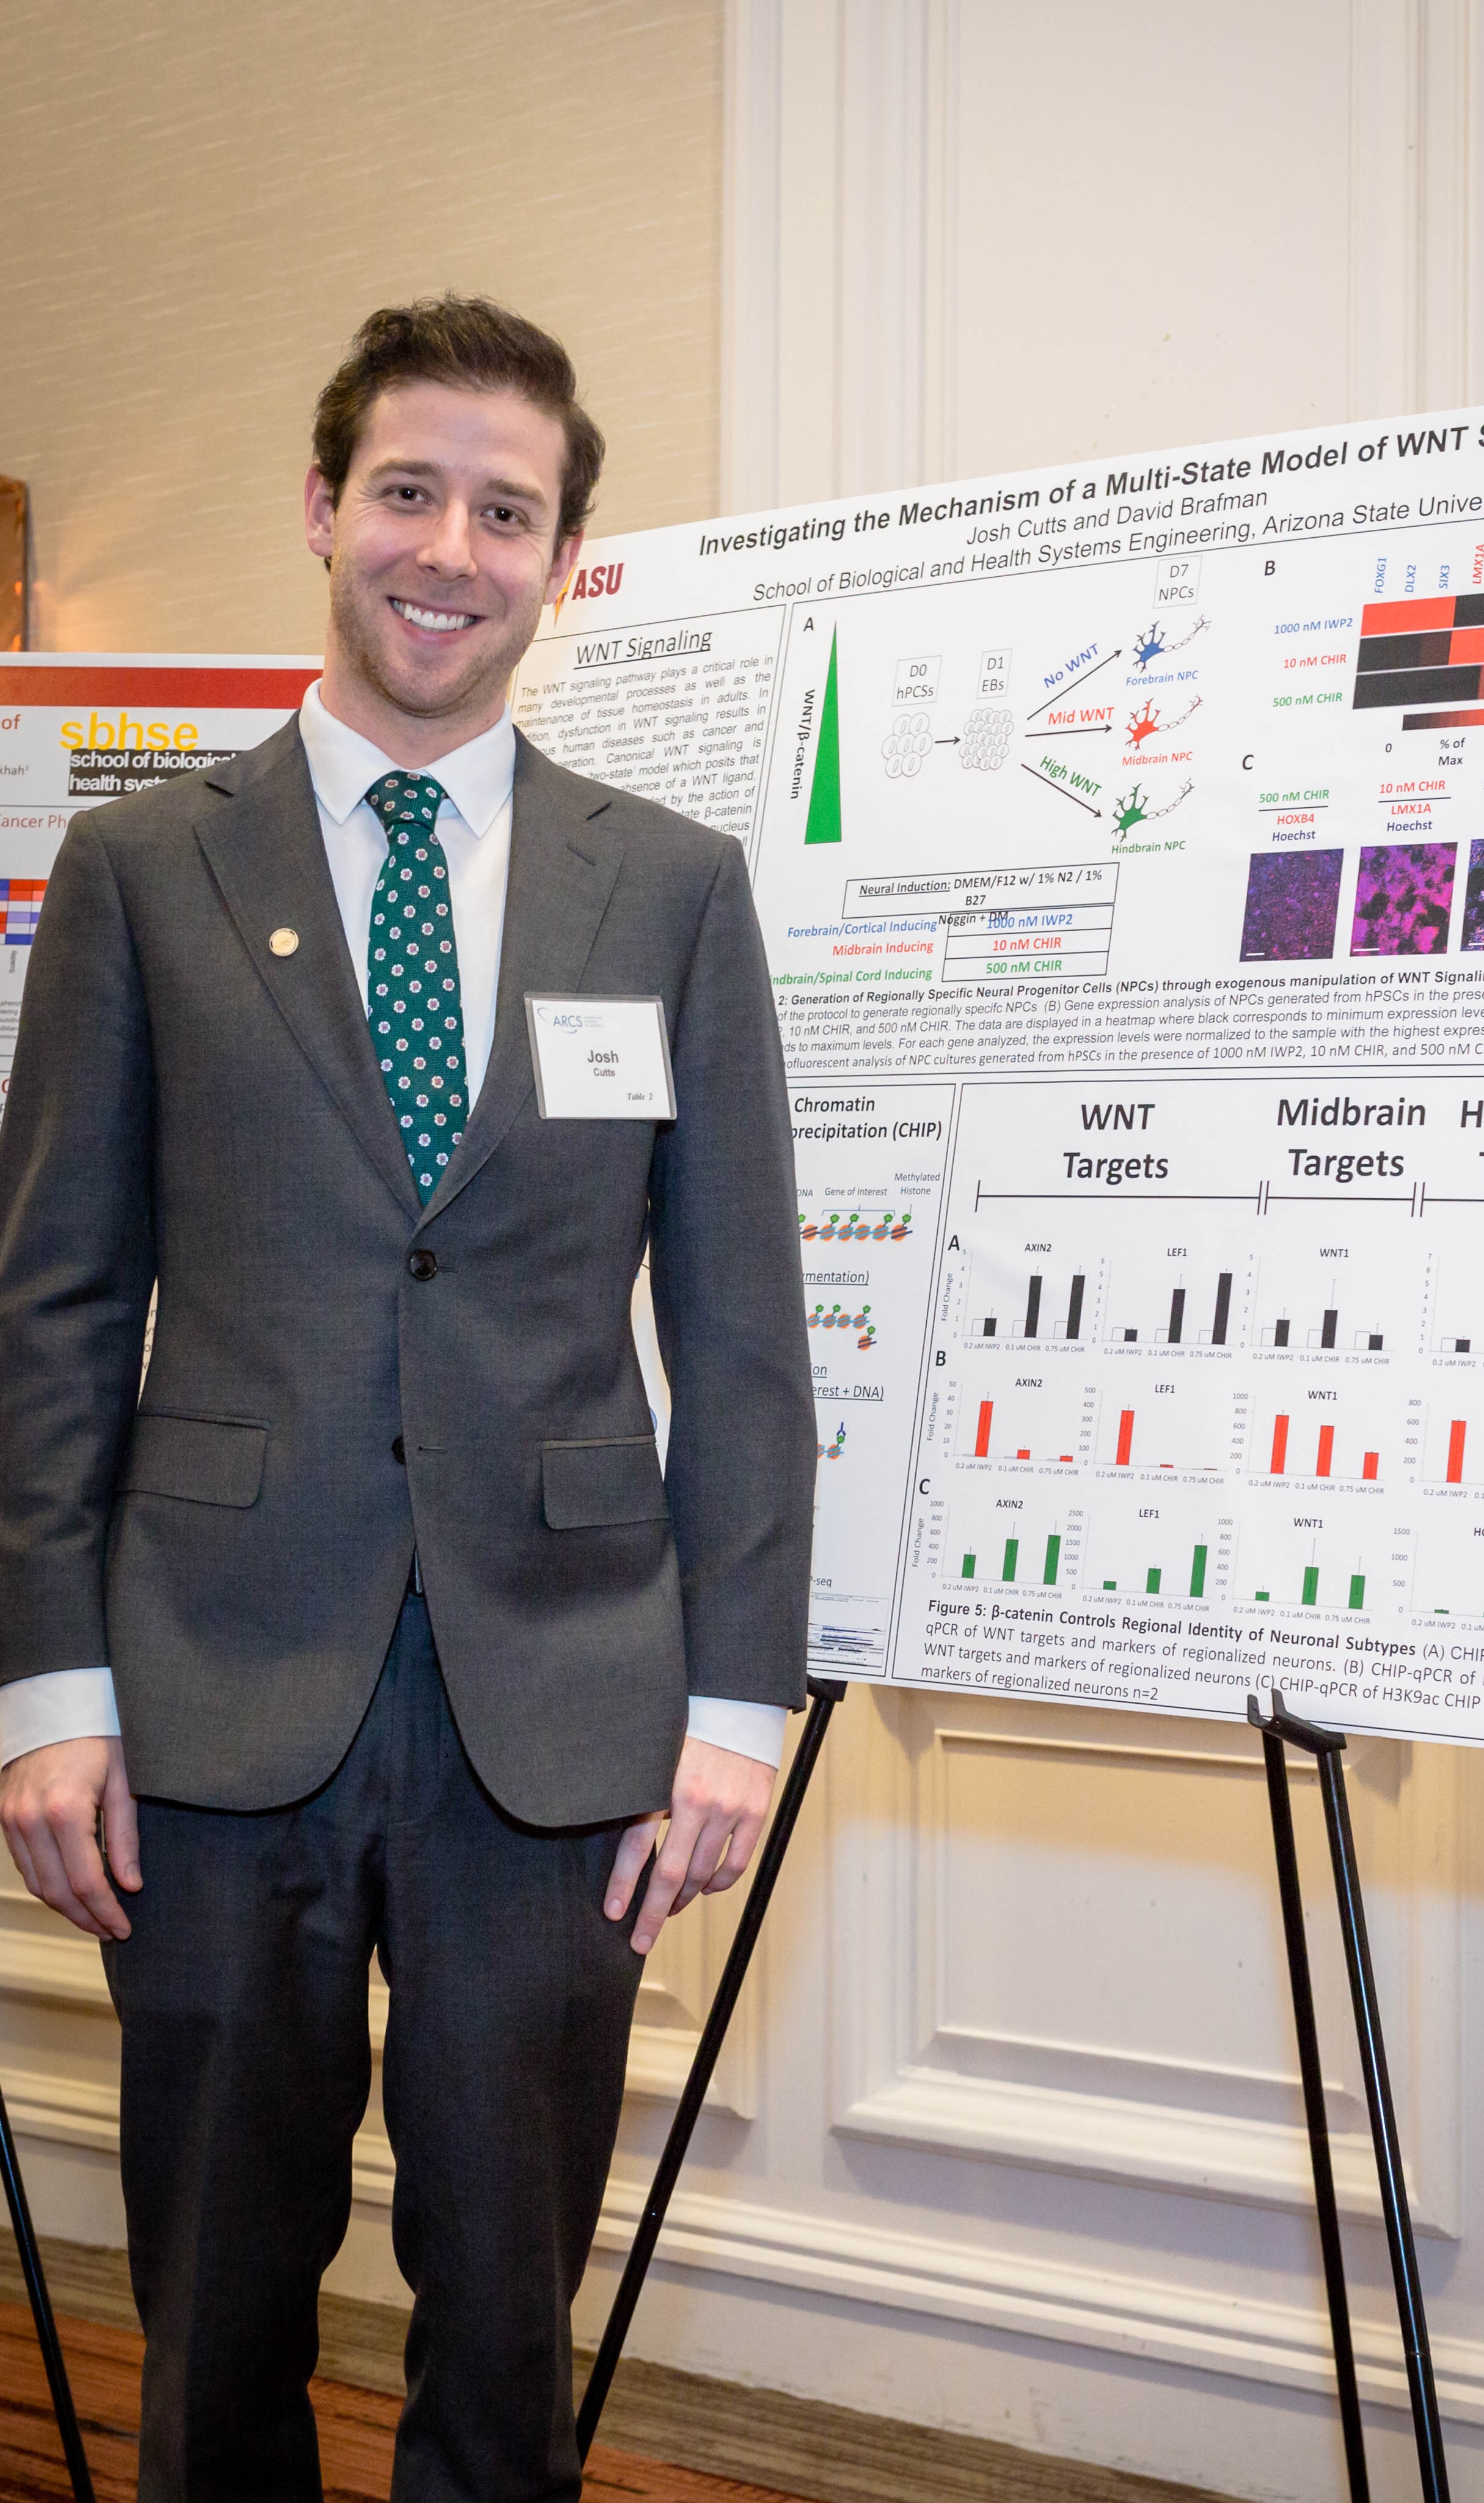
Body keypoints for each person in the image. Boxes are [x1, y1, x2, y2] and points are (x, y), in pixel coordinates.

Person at [0, 296, 814, 2502]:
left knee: (506, 2311)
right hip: (208, 1695)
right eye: (408, 492)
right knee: (214, 2301)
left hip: (557, 1712)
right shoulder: (145, 872)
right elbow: (51, 1313)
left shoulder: (669, 889)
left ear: (563, 557)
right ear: (322, 507)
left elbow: (743, 1335)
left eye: (505, 511)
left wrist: (735, 1713)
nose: (450, 550)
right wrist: (47, 1690)